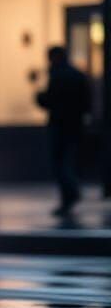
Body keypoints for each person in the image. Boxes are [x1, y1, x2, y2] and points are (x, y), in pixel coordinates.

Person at [36, 46, 91, 215]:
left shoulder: (57, 76)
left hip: (59, 125)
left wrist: (40, 97)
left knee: (60, 162)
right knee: (68, 161)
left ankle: (70, 194)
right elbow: (86, 103)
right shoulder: (77, 75)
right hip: (75, 126)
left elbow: (50, 100)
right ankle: (71, 193)